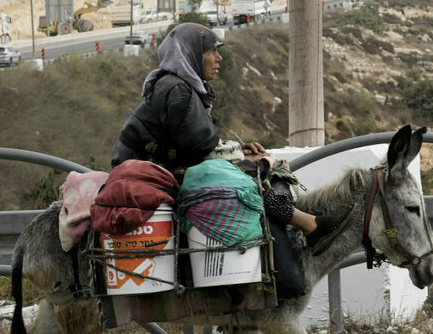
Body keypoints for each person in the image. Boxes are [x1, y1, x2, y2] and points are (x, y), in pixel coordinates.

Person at [111, 21, 325, 238]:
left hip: (156, 170)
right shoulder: (179, 91)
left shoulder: (178, 86)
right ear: (192, 54)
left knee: (255, 165)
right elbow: (200, 150)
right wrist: (243, 157)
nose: (219, 58)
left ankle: (303, 225)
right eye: (212, 51)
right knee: (260, 170)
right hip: (150, 177)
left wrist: (239, 150)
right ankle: (306, 226)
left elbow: (193, 143)